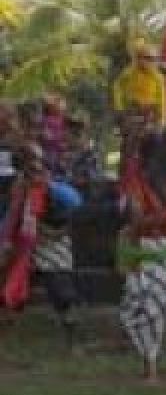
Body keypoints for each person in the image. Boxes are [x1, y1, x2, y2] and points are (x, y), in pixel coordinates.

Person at [117, 134, 166, 382]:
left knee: (156, 309)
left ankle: (152, 368)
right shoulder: (137, 185)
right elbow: (137, 222)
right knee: (136, 310)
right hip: (144, 251)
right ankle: (149, 364)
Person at [0, 142, 83, 344]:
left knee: (61, 292)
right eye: (26, 165)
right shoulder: (19, 187)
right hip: (23, 246)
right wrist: (5, 241)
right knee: (11, 289)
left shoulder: (52, 187)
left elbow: (74, 205)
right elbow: (12, 216)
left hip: (50, 244)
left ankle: (72, 341)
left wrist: (47, 185)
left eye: (34, 165)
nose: (30, 170)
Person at [112, 37, 166, 130]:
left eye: (152, 59)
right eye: (146, 58)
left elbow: (162, 100)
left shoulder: (158, 77)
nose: (149, 62)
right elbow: (117, 87)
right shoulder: (130, 72)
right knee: (130, 136)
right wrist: (119, 107)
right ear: (138, 58)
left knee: (155, 139)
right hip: (132, 111)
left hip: (150, 114)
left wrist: (162, 119)